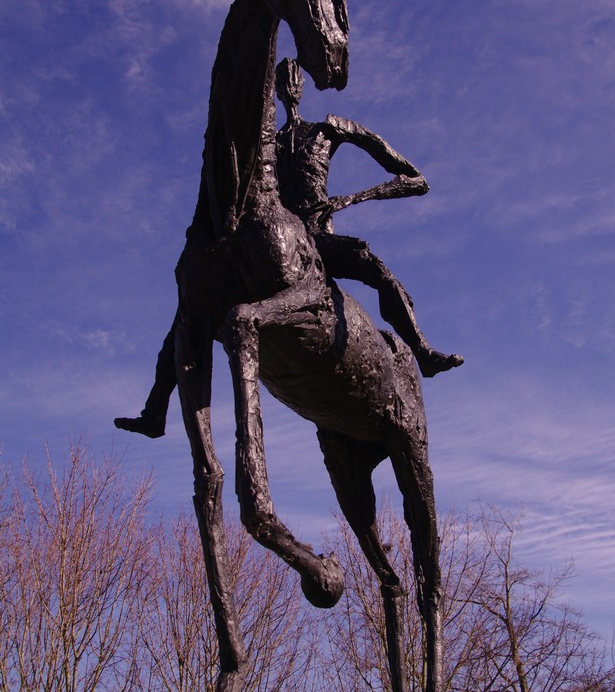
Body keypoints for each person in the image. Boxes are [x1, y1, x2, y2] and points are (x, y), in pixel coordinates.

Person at [115, 59, 462, 439]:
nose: (290, 85)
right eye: (283, 80)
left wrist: (352, 198)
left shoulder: (331, 129)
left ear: (302, 86)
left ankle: (422, 351)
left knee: (372, 265)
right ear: (277, 91)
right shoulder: (268, 144)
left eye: (295, 79)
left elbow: (415, 179)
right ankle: (156, 411)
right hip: (272, 242)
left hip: (317, 237)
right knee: (189, 307)